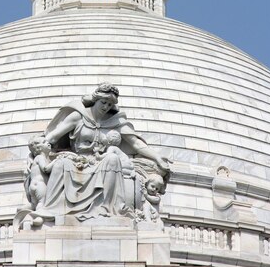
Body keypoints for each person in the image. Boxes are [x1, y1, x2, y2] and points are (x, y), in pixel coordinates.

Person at [32, 83, 170, 222]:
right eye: (103, 102)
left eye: (109, 105)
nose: (106, 107)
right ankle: (50, 208)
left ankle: (105, 208)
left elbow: (136, 144)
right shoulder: (78, 116)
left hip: (101, 162)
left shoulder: (115, 121)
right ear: (95, 100)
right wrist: (39, 145)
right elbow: (53, 136)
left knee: (112, 159)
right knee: (61, 163)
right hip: (77, 161)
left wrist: (157, 158)